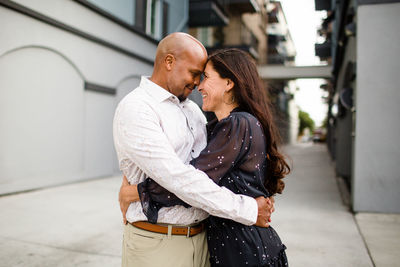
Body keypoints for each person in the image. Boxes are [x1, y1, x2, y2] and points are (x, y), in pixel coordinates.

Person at [113, 33, 274, 267]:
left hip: (205, 241)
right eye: (194, 73)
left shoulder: (194, 111)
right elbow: (180, 179)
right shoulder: (138, 108)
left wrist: (136, 191)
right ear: (169, 62)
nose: (198, 83)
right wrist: (249, 209)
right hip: (159, 243)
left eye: (203, 76)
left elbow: (207, 172)